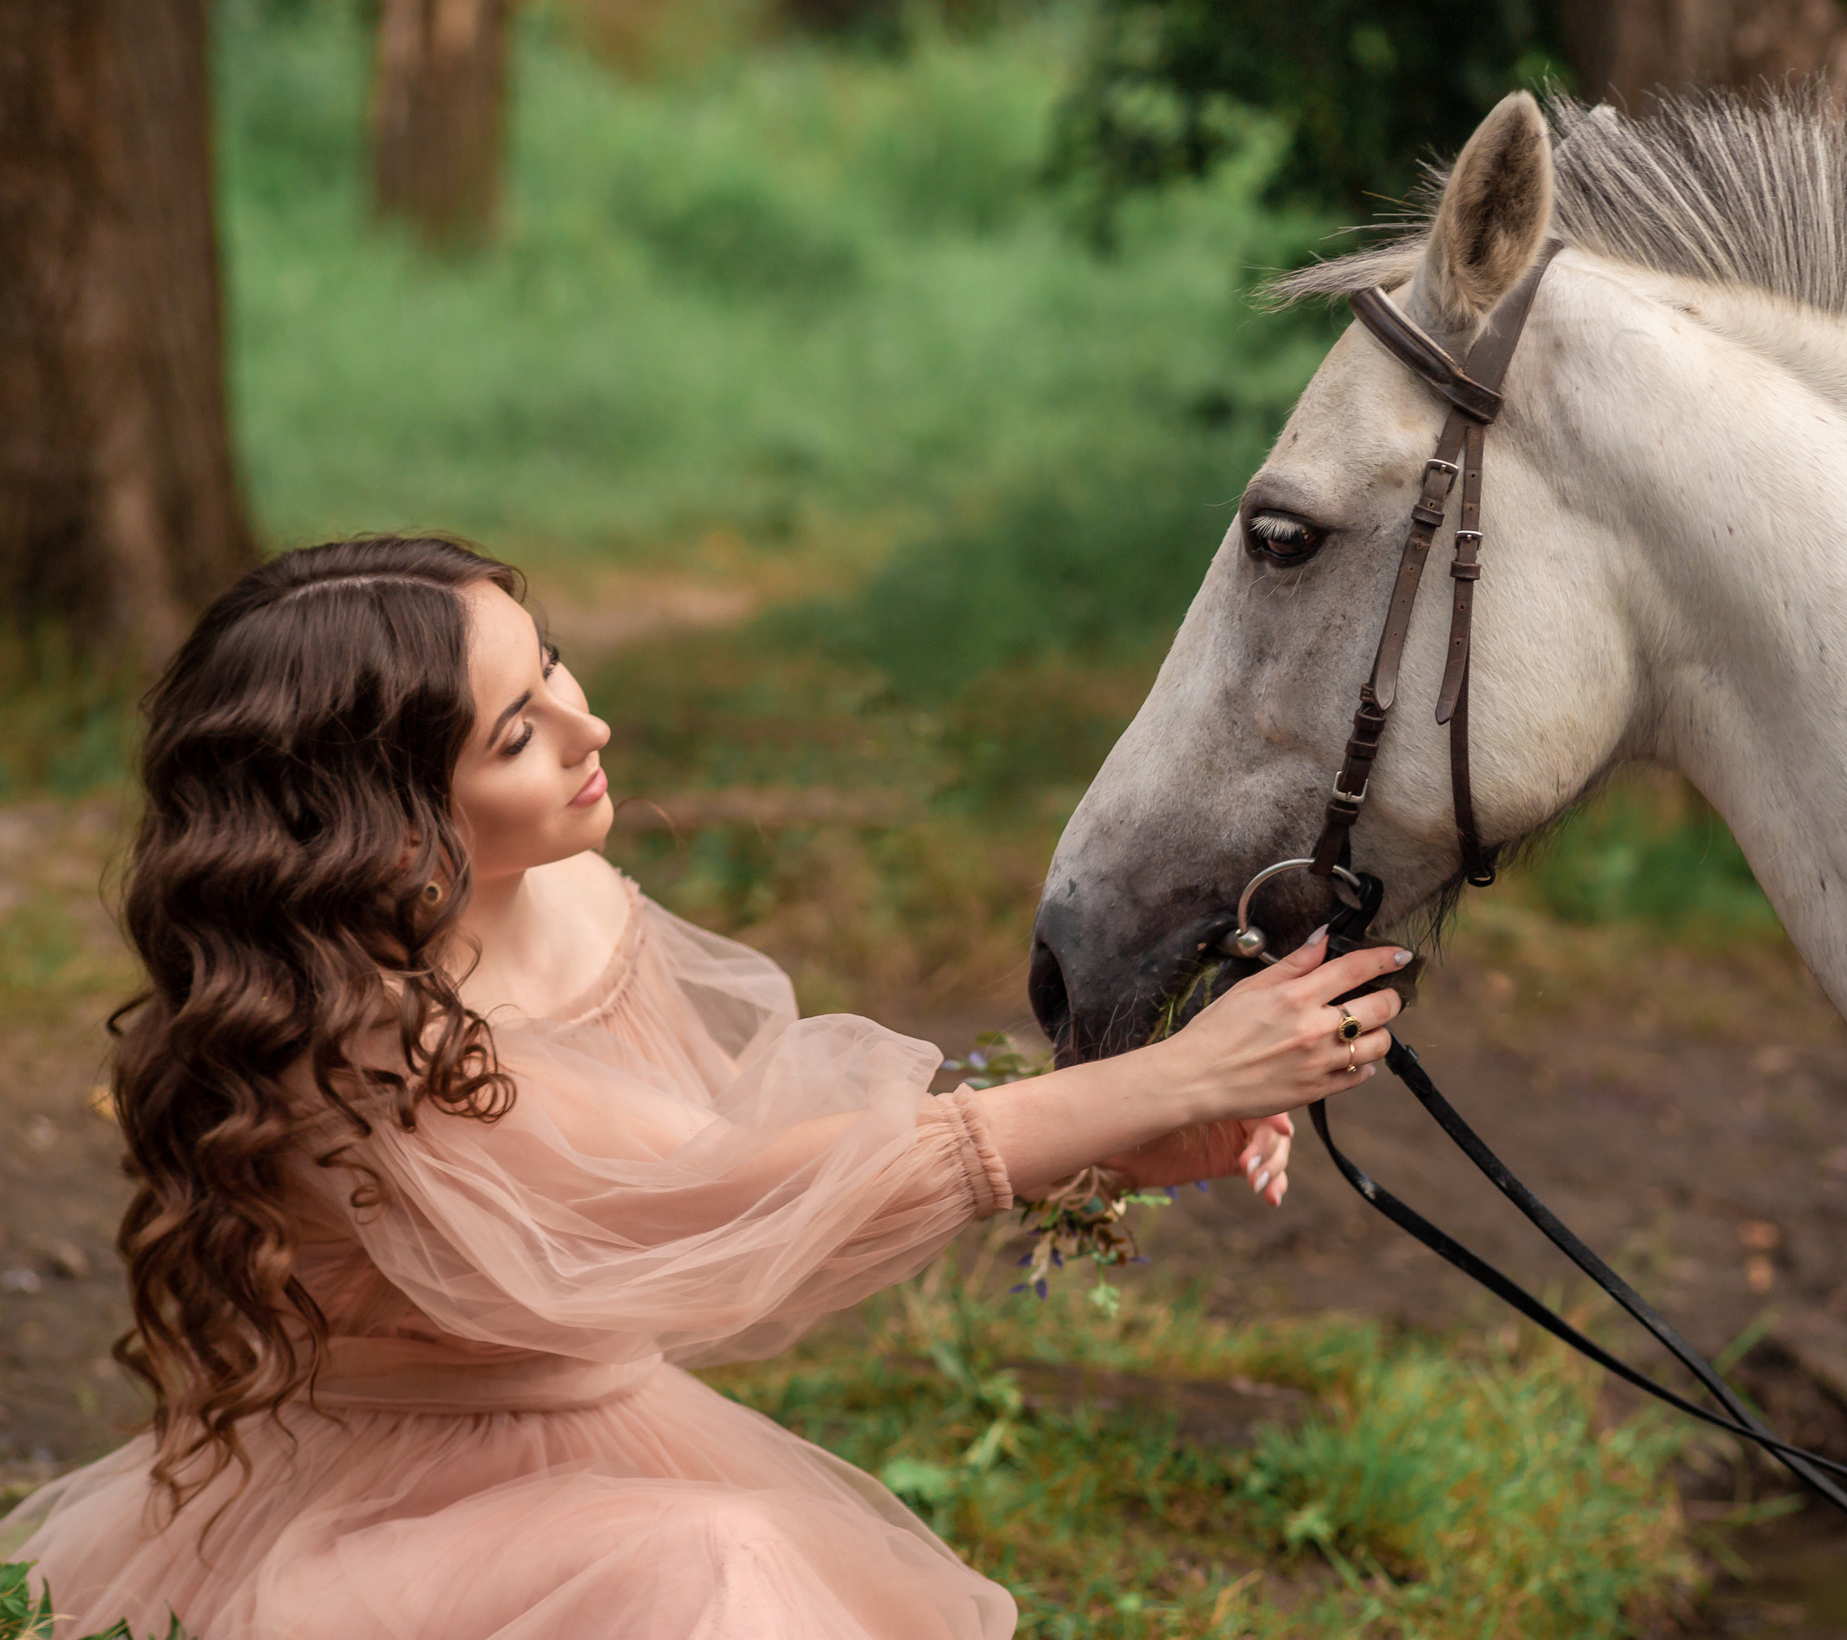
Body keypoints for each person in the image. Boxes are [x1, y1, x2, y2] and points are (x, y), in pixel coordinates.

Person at [0, 536, 1403, 1639]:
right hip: (387, 1507)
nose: (590, 728)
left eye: (554, 668)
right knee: (715, 1564)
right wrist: (1170, 1072)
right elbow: (713, 1195)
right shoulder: (363, 1041)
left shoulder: (560, 890)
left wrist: (1117, 1145)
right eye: (516, 735)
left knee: (720, 1556)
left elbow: (753, 1134)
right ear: (386, 827)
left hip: (581, 1440)